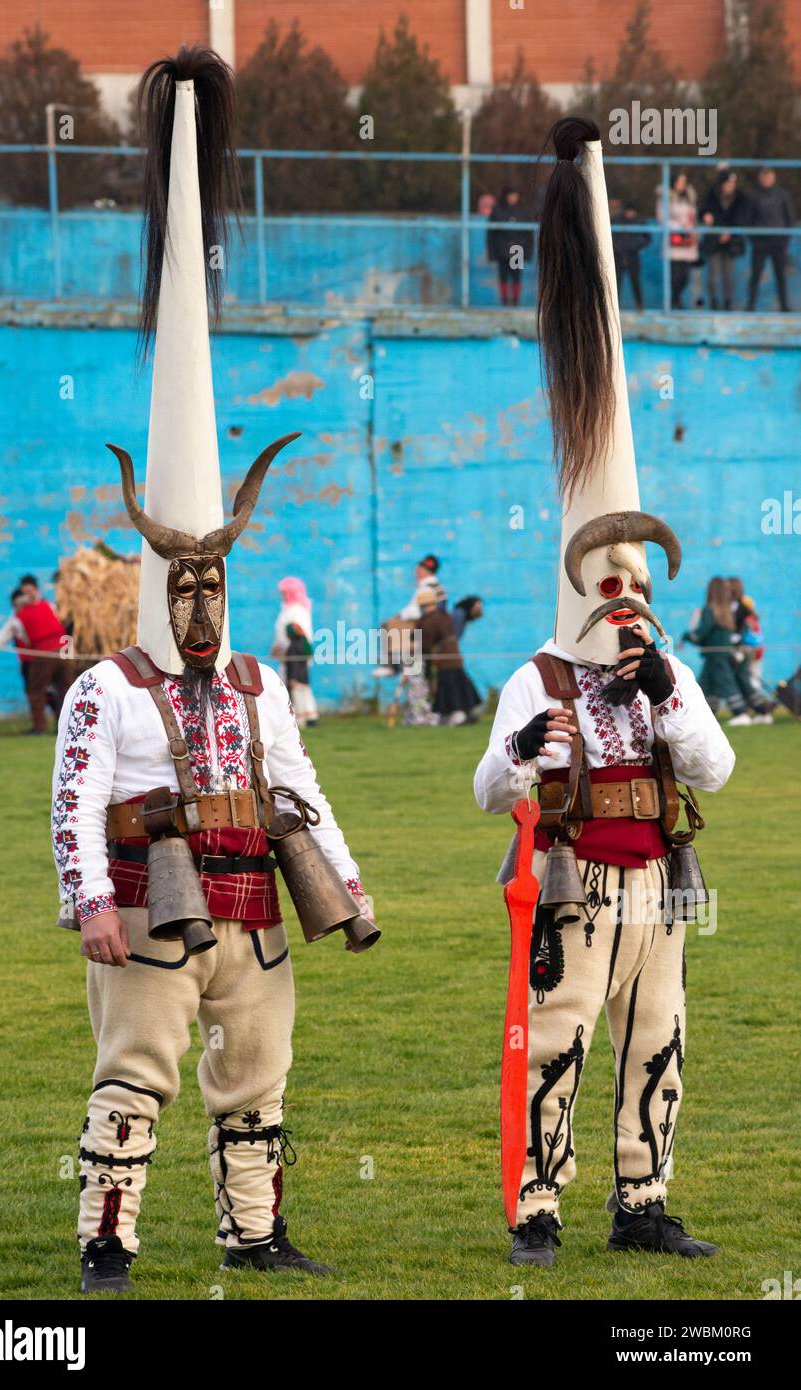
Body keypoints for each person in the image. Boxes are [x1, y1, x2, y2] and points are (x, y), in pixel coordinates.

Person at [51, 47, 375, 1296]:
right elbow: (75, 801)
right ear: (153, 584)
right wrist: (88, 897)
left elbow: (301, 780)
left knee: (260, 1074)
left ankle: (255, 1231)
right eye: (176, 584)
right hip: (148, 900)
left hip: (255, 902)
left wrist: (342, 885)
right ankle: (108, 1238)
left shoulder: (256, 686)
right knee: (136, 1072)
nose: (196, 605)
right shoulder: (107, 689)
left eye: (211, 586)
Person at [475, 117, 735, 1268]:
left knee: (659, 1038)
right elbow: (489, 788)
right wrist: (529, 746)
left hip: (659, 886)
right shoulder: (534, 672)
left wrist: (671, 683)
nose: (624, 601)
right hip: (576, 881)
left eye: (638, 583)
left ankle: (644, 1201)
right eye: (610, 582)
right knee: (560, 1040)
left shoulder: (664, 672)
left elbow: (716, 768)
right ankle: (539, 1203)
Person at [682, 578, 772, 725]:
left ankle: (741, 714)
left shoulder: (710, 610)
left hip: (716, 655)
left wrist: (686, 636)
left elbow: (701, 634)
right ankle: (706, 715)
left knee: (726, 684)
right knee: (706, 685)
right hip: (724, 653)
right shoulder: (726, 611)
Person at [11, 576, 71, 733]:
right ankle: (65, 726)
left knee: (36, 691)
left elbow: (22, 637)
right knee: (64, 689)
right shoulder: (50, 606)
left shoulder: (20, 616)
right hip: (64, 653)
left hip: (44, 654)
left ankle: (40, 727)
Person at [415, 586, 481, 725]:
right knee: (460, 683)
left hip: (444, 658)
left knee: (450, 686)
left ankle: (457, 715)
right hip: (454, 655)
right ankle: (469, 711)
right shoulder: (445, 616)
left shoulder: (430, 620)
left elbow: (425, 643)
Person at [700, 170, 751, 311]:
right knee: (713, 275)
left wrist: (730, 232)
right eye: (728, 183)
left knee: (728, 275)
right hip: (713, 242)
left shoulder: (741, 198)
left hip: (731, 243)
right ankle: (713, 302)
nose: (730, 186)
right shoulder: (712, 196)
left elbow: (743, 217)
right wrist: (705, 216)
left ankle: (728, 302)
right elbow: (702, 211)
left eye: (732, 183)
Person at [271, 576, 318, 727]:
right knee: (294, 685)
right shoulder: (288, 610)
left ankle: (303, 717)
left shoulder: (297, 611)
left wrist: (286, 648)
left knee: (297, 684)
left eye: (285, 592)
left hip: (296, 653)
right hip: (288, 653)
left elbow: (297, 634)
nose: (283, 595)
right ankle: (305, 715)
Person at [747, 167, 794, 312]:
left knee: (780, 275)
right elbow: (749, 218)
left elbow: (790, 218)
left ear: (773, 177)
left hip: (778, 242)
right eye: (764, 176)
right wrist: (753, 238)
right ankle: (750, 306)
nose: (766, 179)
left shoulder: (782, 195)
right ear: (760, 178)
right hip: (760, 242)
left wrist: (785, 239)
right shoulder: (754, 196)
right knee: (755, 275)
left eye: (769, 176)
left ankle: (784, 306)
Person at [656, 172, 699, 309]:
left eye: (684, 182)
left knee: (685, 276)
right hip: (673, 240)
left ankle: (676, 297)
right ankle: (674, 301)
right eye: (679, 181)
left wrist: (691, 228)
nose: (682, 185)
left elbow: (693, 216)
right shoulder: (665, 197)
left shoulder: (689, 198)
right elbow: (662, 218)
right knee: (674, 274)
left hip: (687, 242)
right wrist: (679, 226)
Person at [487, 187, 534, 307]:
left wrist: (528, 253)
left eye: (515, 195)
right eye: (510, 195)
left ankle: (515, 302)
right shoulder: (498, 210)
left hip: (517, 250)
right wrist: (492, 253)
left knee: (516, 277)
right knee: (503, 277)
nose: (512, 198)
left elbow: (528, 234)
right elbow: (491, 233)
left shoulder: (523, 211)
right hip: (502, 250)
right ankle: (504, 303)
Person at [612, 200, 650, 310]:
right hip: (618, 256)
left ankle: (640, 306)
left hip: (633, 256)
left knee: (635, 282)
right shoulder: (616, 219)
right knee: (617, 282)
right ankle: (615, 307)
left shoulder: (640, 221)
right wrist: (616, 247)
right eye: (628, 211)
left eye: (632, 211)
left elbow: (647, 238)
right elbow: (609, 236)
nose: (630, 214)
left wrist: (637, 246)